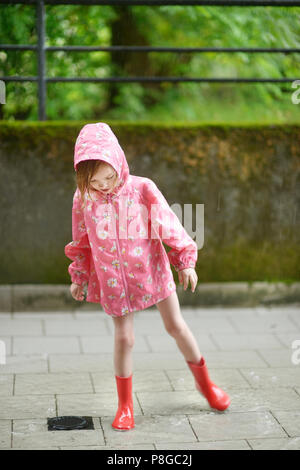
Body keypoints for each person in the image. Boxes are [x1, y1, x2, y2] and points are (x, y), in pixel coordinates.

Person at [64, 122, 230, 432]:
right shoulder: (83, 198)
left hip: (153, 271)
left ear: (119, 162)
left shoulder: (141, 188)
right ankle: (125, 405)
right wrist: (79, 275)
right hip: (114, 281)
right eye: (96, 182)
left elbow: (169, 224)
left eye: (110, 177)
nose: (104, 186)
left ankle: (206, 386)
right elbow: (81, 241)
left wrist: (185, 261)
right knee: (124, 338)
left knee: (176, 326)